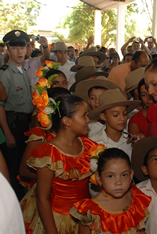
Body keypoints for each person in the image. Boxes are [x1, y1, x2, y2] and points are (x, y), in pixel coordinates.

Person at [20, 94, 98, 233]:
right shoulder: (50, 154)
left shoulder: (86, 145)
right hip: (60, 219)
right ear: (67, 121)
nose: (88, 120)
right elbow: (42, 198)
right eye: (84, 115)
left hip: (85, 217)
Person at [70, 147, 151, 234]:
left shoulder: (136, 199)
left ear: (131, 175)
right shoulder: (90, 211)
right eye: (110, 176)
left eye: (124, 175)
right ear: (99, 178)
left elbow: (141, 230)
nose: (119, 182)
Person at [0, 30, 34, 200]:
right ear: (8, 50)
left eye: (23, 47)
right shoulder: (5, 73)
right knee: (13, 169)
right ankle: (14, 204)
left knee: (22, 165)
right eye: (15, 48)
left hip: (23, 126)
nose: (20, 51)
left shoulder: (23, 72)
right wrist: (7, 134)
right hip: (12, 126)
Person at [88, 89, 140, 158]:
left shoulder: (131, 141)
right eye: (115, 115)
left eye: (124, 114)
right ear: (103, 116)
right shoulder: (94, 142)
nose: (122, 119)